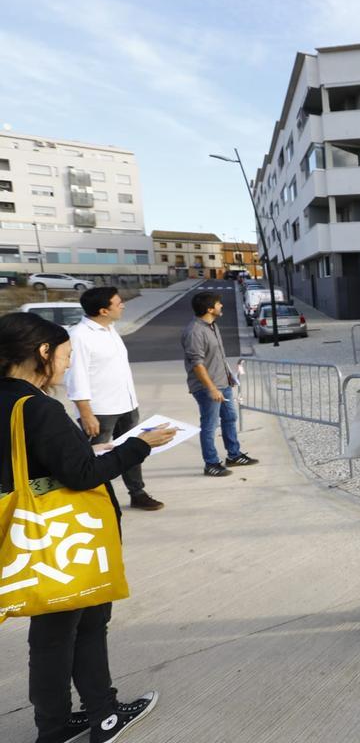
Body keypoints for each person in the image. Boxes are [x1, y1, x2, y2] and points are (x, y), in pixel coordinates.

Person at [0, 311, 176, 743]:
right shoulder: (37, 406)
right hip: (66, 538)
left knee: (51, 637)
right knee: (85, 627)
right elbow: (81, 476)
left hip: (30, 537)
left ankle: (57, 723)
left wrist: (92, 447)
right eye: (64, 355)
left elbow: (45, 460)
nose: (66, 365)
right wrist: (138, 446)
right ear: (43, 352)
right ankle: (102, 714)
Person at [67, 287, 164, 511]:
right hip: (100, 410)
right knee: (97, 457)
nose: (123, 305)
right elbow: (76, 377)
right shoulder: (79, 336)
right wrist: (86, 413)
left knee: (133, 451)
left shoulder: (110, 329)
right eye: (118, 303)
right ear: (103, 310)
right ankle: (94, 500)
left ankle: (137, 493)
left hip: (127, 405)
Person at [180, 291, 257, 477]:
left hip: (223, 383)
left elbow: (217, 358)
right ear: (209, 308)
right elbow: (197, 364)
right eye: (218, 303)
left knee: (230, 418)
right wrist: (212, 388)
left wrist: (229, 379)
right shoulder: (194, 332)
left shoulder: (212, 326)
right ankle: (211, 463)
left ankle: (234, 454)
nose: (221, 306)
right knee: (209, 425)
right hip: (208, 388)